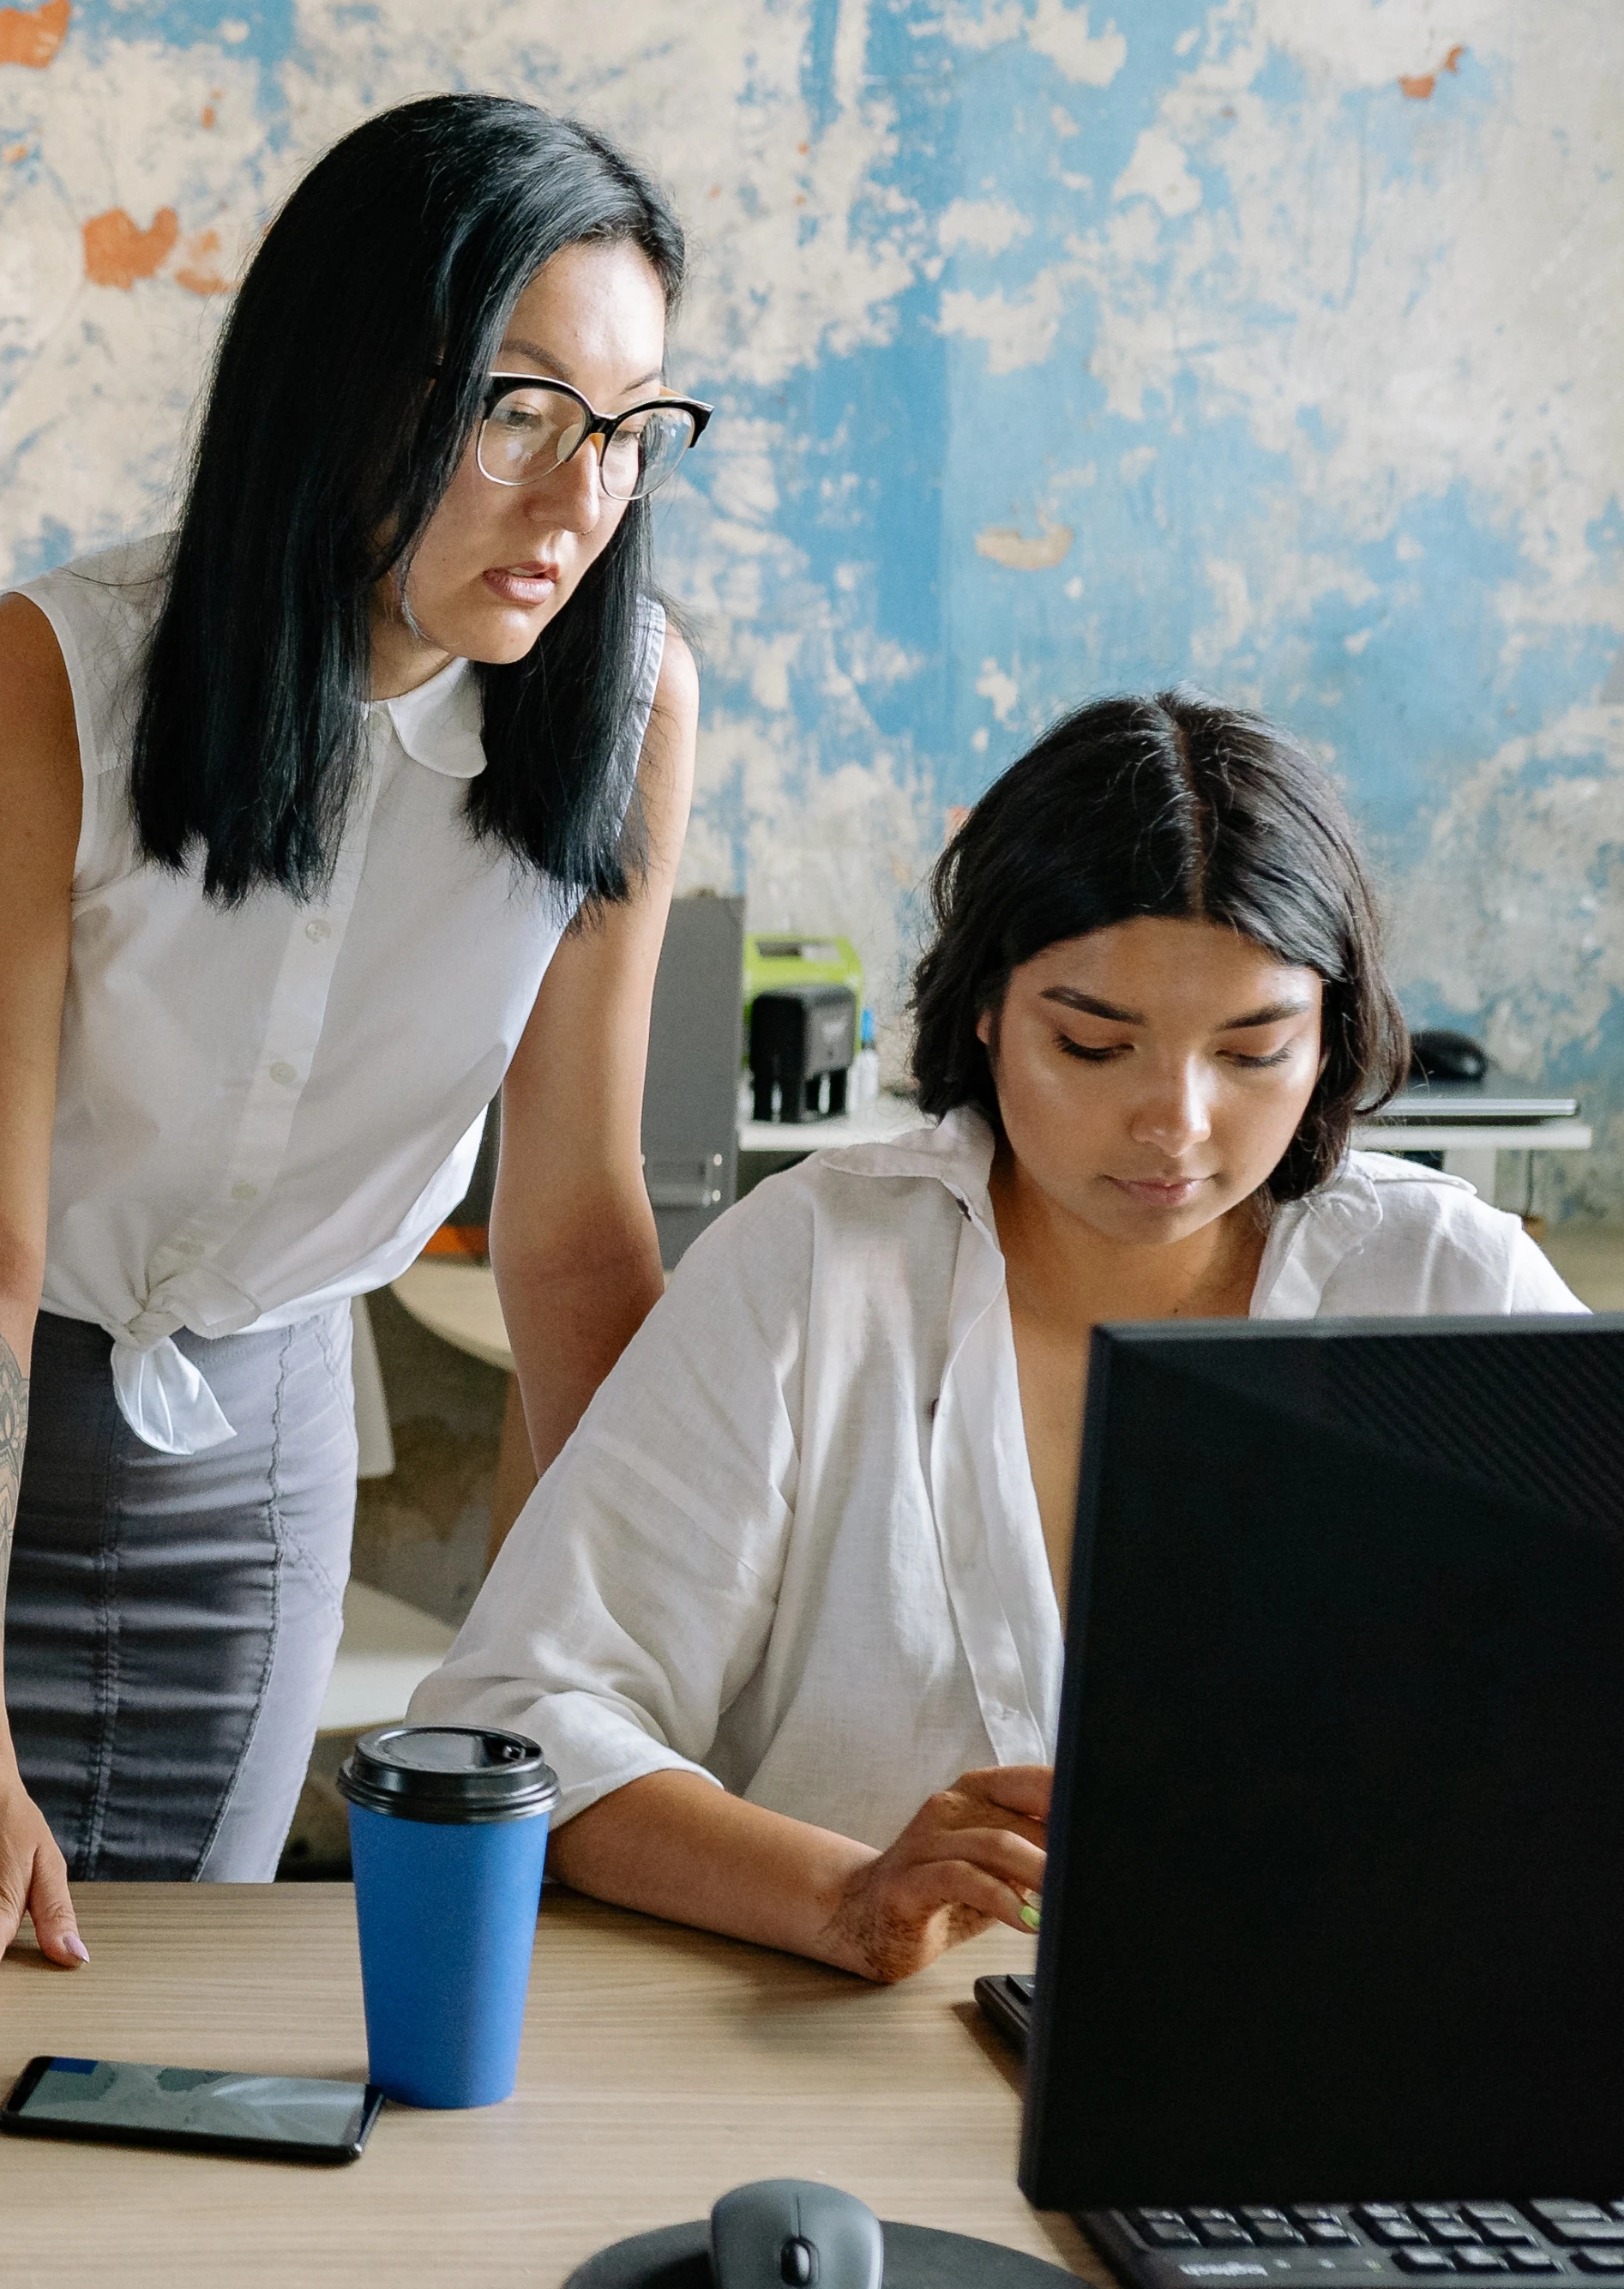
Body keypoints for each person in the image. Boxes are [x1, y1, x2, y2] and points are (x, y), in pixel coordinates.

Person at [0, 93, 711, 2011]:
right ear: (353, 379)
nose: (577, 497)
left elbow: (574, 1231)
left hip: (254, 1417)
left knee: (172, 2006)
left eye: (624, 432)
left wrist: (602, 1669)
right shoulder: (61, 670)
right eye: (519, 413)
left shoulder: (628, 709)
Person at [411, 691, 1585, 1984]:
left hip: (1344, 2050)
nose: (1176, 1122)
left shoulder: (1449, 1282)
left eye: (1255, 1051)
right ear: (983, 1008)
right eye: (1094, 1043)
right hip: (842, 2065)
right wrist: (841, 1896)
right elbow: (521, 1721)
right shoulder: (815, 1269)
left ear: (1333, 1033)